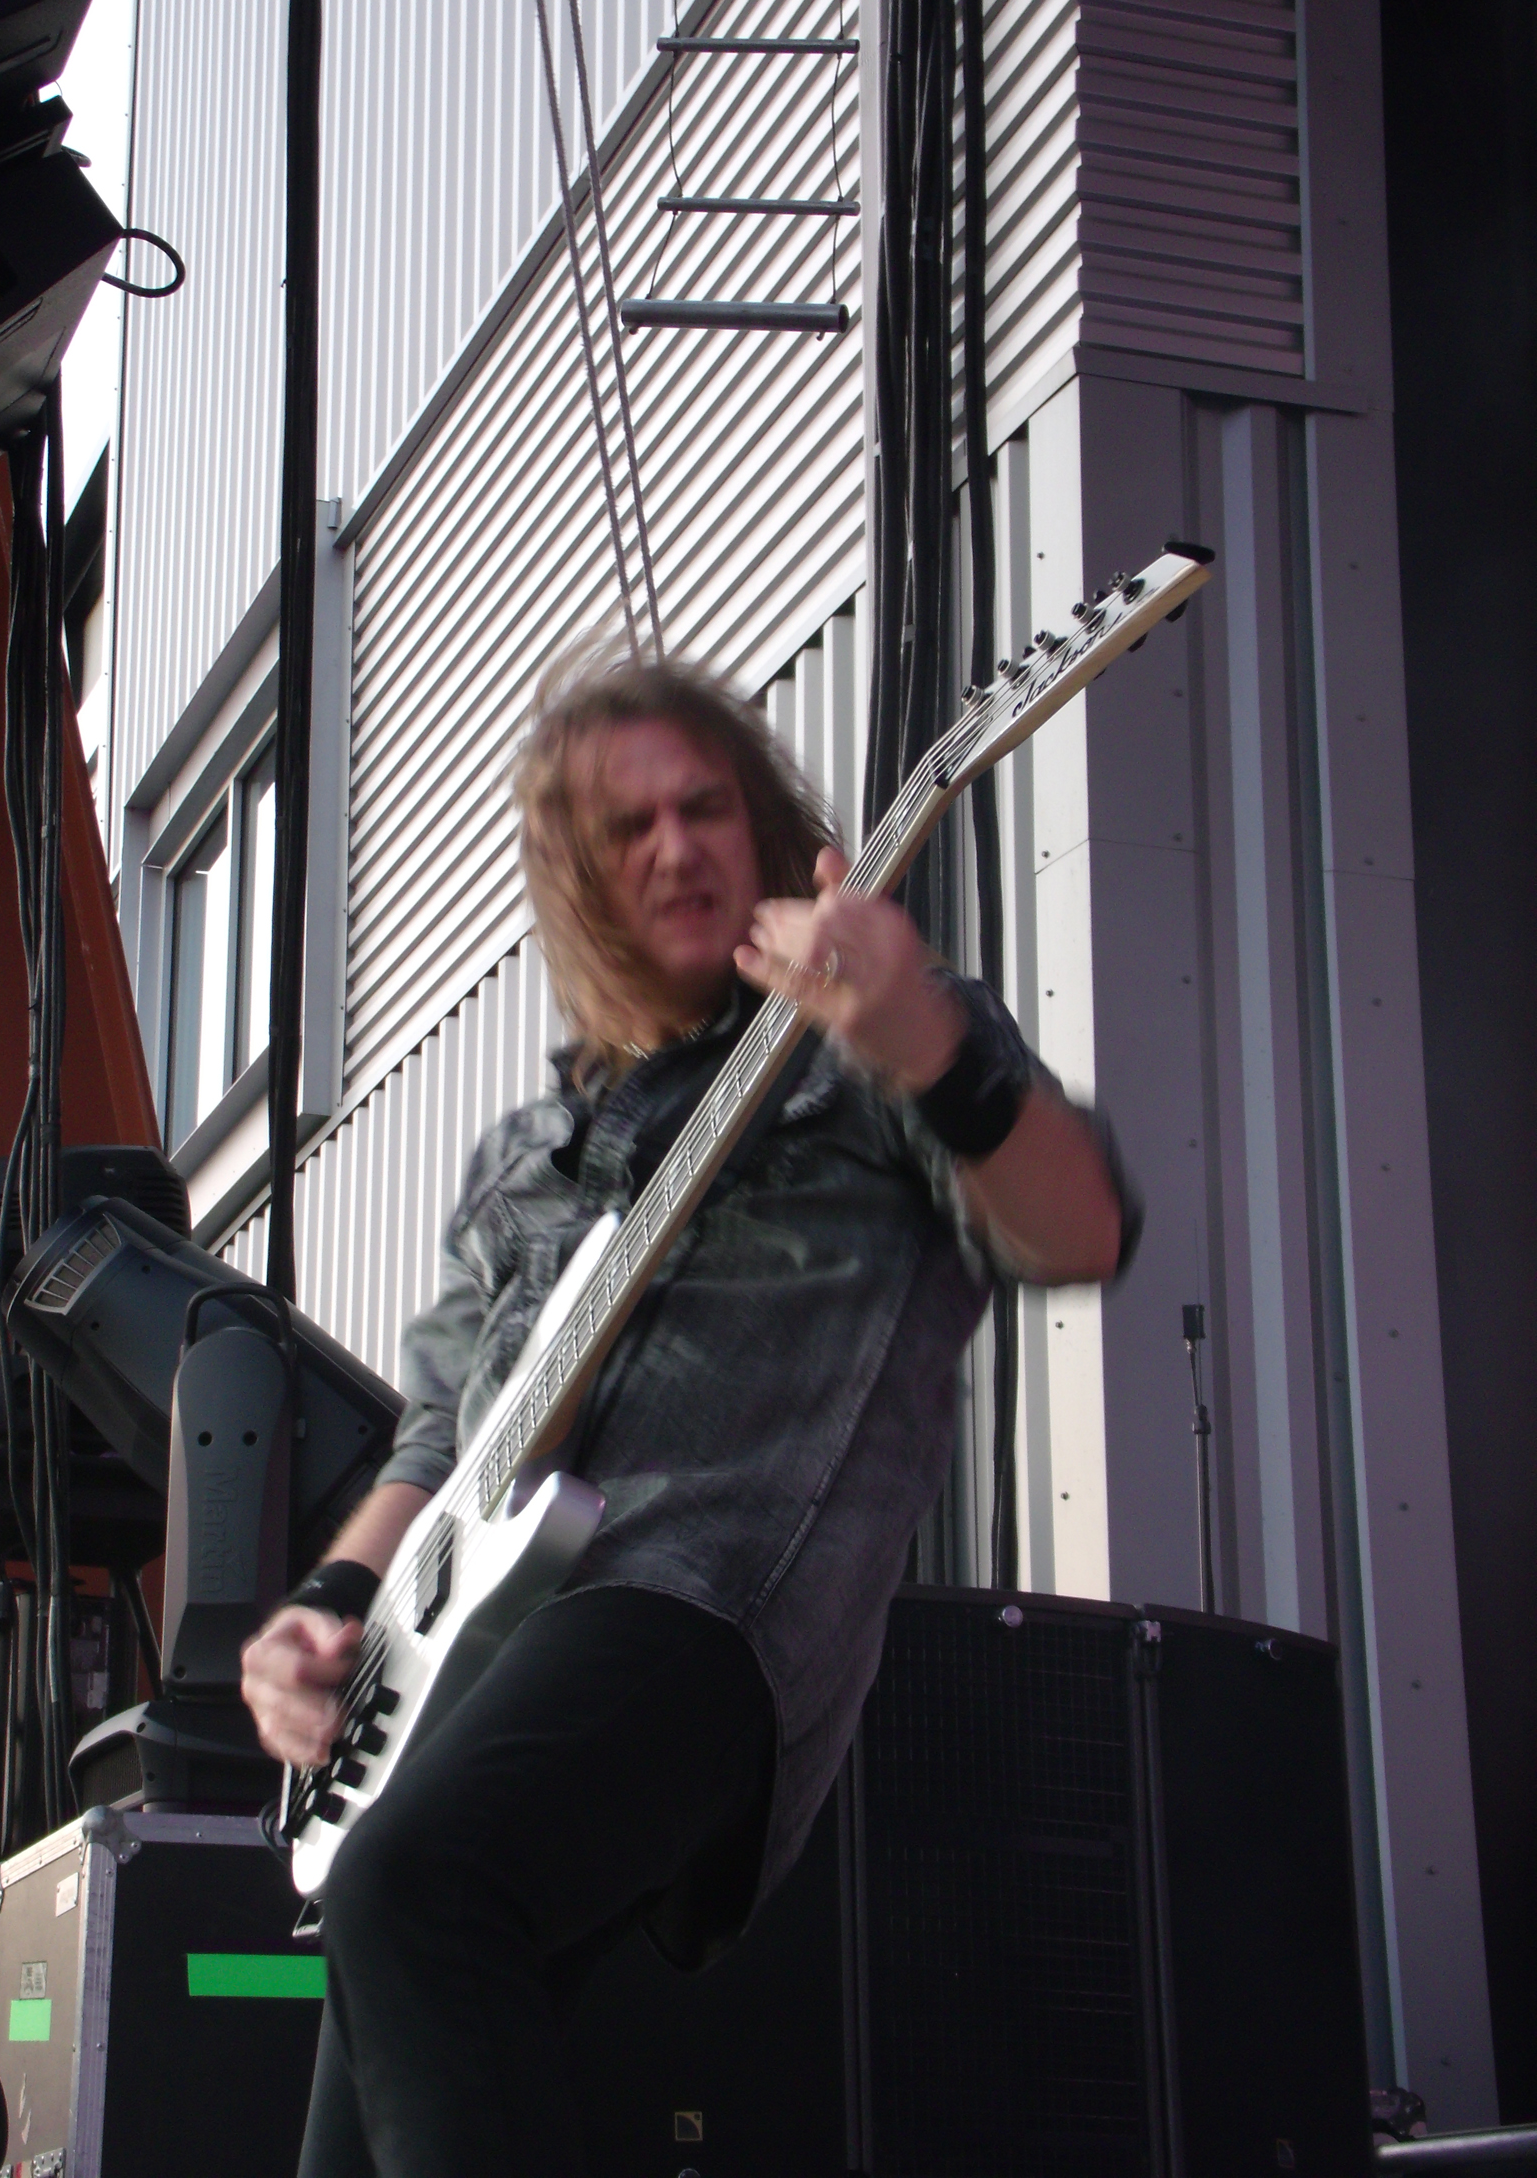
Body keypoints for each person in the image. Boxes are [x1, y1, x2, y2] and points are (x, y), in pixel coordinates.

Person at [241, 642, 1132, 2178]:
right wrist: (331, 1605)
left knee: (414, 1891)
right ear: (581, 883)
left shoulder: (879, 1051)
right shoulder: (528, 1156)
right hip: (479, 1658)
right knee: (358, 2096)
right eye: (628, 827)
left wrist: (926, 1039)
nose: (675, 846)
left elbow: (1083, 1230)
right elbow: (441, 1434)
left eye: (703, 805)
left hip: (707, 1609)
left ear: (763, 825)